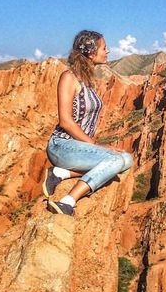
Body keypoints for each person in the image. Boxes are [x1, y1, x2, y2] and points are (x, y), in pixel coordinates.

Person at [43, 30, 133, 216]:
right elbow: (65, 121)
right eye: (104, 48)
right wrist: (96, 146)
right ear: (91, 53)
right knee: (116, 159)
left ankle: (60, 174)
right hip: (62, 146)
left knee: (126, 159)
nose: (108, 51)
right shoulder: (69, 77)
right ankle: (68, 201)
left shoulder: (87, 81)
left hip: (78, 148)